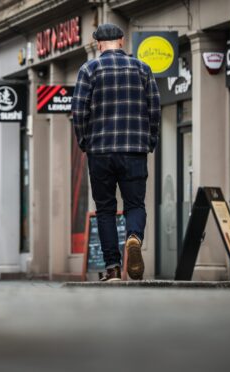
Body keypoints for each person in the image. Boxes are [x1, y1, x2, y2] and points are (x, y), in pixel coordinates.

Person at [71, 23, 161, 282]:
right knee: (135, 204)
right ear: (122, 41)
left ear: (98, 44)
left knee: (105, 209)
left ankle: (112, 268)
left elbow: (78, 112)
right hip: (134, 149)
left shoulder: (89, 70)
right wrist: (150, 141)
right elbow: (154, 109)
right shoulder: (143, 69)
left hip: (100, 151)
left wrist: (84, 142)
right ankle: (133, 237)